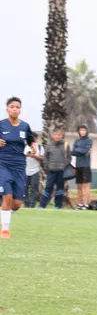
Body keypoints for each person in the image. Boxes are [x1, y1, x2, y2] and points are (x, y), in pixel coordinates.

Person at [0, 97, 34, 239]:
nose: (15, 109)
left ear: (20, 110)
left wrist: (31, 148)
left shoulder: (25, 126)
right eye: (12, 106)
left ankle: (4, 215)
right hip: (3, 164)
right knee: (7, 196)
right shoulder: (1, 125)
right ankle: (5, 230)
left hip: (20, 166)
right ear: (7, 109)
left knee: (17, 203)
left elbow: (31, 142)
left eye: (17, 107)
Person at [39, 128, 69, 209]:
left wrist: (63, 166)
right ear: (53, 135)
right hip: (51, 171)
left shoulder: (66, 145)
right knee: (48, 188)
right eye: (56, 134)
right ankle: (42, 206)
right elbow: (45, 158)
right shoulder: (49, 145)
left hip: (61, 171)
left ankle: (58, 206)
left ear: (62, 136)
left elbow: (68, 158)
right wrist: (48, 166)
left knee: (60, 190)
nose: (57, 136)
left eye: (59, 135)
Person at [71, 124, 93, 210]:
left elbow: (85, 151)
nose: (82, 131)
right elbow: (73, 152)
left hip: (86, 165)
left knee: (86, 184)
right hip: (78, 165)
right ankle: (80, 204)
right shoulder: (77, 141)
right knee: (79, 185)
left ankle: (86, 204)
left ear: (87, 131)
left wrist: (79, 151)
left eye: (84, 130)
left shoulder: (89, 140)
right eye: (81, 130)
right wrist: (80, 151)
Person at [25, 132, 44, 208]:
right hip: (25, 171)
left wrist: (34, 156)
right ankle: (26, 205)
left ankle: (32, 205)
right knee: (24, 189)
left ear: (36, 139)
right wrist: (26, 155)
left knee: (34, 189)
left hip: (35, 171)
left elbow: (42, 158)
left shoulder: (40, 147)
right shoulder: (25, 147)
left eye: (33, 138)